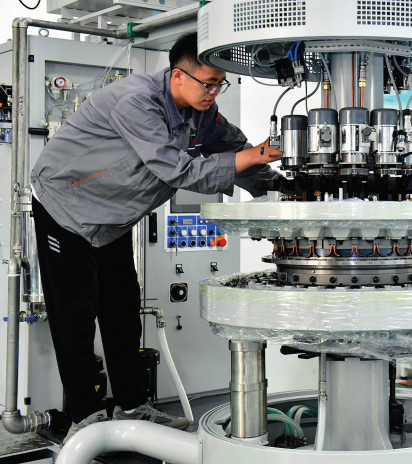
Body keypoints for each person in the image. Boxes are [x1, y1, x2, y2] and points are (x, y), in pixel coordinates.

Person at [30, 32, 282, 444]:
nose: (214, 93)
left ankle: (133, 405)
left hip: (112, 217)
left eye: (220, 84)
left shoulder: (203, 113)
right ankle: (84, 416)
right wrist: (255, 154)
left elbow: (238, 151)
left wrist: (283, 190)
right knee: (75, 315)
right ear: (178, 75)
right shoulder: (137, 101)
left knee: (122, 309)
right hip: (66, 207)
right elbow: (177, 170)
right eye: (209, 83)